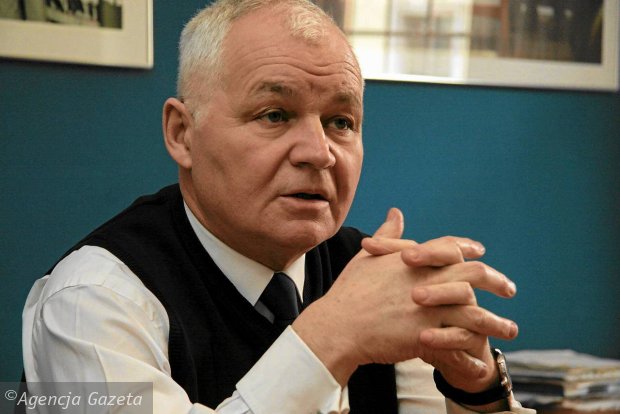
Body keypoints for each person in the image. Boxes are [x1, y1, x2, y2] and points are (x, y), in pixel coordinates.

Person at [22, 1, 534, 413]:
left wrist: (476, 389)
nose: (318, 152)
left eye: (341, 122)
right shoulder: (92, 300)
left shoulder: (372, 273)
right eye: (274, 115)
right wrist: (332, 334)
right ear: (182, 134)